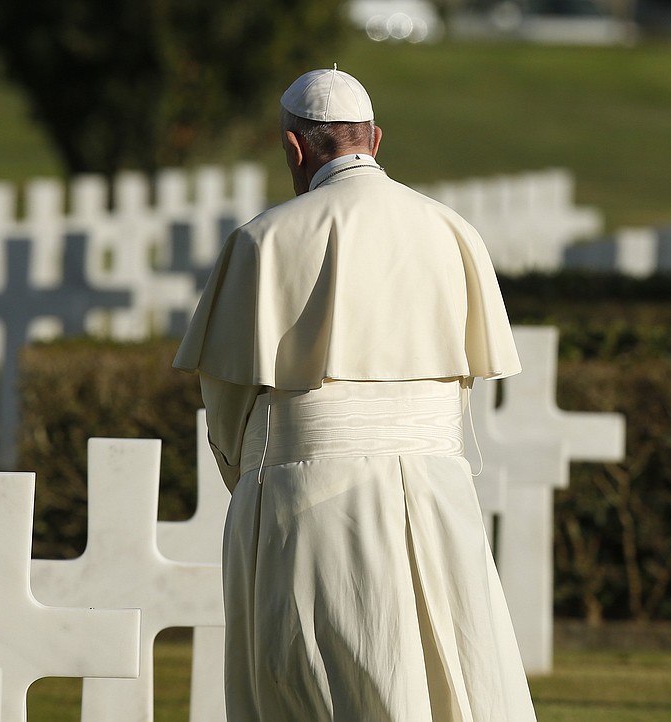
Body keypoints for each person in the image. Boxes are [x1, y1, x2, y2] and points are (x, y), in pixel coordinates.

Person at [173, 66, 539, 721]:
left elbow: (227, 404)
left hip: (306, 494)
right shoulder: (452, 231)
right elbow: (461, 389)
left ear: (293, 148)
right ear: (375, 138)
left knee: (312, 685)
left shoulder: (266, 237)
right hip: (437, 486)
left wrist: (248, 487)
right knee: (445, 676)